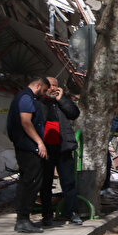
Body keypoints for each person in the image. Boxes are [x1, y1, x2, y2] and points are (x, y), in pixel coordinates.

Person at [7, 77, 50, 233]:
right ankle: (23, 219)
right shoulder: (26, 97)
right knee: (31, 181)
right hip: (28, 148)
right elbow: (26, 122)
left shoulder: (26, 97)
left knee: (29, 181)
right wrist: (39, 142)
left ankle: (24, 218)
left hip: (26, 146)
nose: (44, 94)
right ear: (38, 86)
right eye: (44, 90)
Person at [38, 77, 82, 225]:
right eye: (49, 85)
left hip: (63, 147)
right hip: (46, 149)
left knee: (69, 182)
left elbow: (74, 113)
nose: (52, 88)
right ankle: (47, 215)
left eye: (55, 86)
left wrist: (61, 98)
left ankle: (72, 212)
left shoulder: (62, 100)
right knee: (46, 184)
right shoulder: (39, 101)